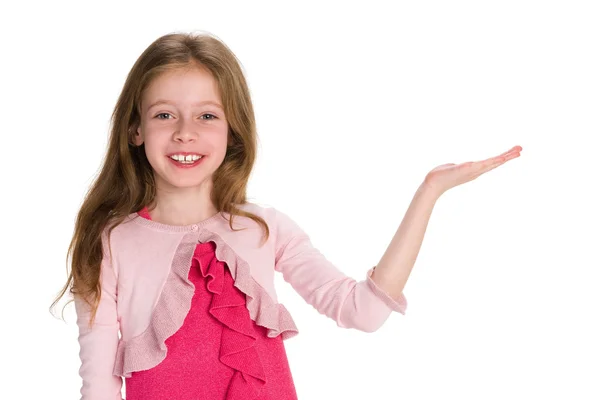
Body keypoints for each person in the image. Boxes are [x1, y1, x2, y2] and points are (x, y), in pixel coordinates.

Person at [50, 31, 522, 400]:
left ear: (233, 130)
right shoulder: (110, 242)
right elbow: (98, 381)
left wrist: (429, 193)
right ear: (135, 130)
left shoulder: (265, 228)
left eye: (207, 116)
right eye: (165, 115)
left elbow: (364, 311)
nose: (185, 133)